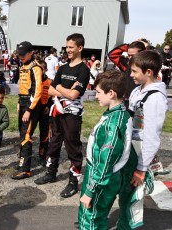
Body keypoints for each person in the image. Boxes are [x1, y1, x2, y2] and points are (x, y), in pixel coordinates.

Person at [34, 33, 90, 199]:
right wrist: (63, 90)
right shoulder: (63, 67)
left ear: (80, 48)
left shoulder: (84, 70)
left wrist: (59, 89)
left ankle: (73, 182)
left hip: (72, 115)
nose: (68, 50)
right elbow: (50, 90)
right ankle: (51, 173)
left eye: (71, 47)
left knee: (73, 146)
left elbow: (74, 95)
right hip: (57, 111)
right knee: (54, 143)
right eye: (67, 47)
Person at [117, 51, 168, 229]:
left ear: (148, 72)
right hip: (129, 147)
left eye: (134, 72)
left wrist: (141, 168)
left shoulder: (155, 99)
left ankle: (129, 226)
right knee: (123, 192)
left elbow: (152, 137)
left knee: (132, 197)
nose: (130, 75)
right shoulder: (138, 91)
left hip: (139, 151)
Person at [78, 70, 132, 229]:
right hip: (106, 175)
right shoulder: (119, 113)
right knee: (98, 215)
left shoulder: (113, 124)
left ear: (111, 93)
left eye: (98, 92)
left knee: (91, 217)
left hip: (101, 177)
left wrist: (90, 190)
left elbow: (106, 160)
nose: (96, 96)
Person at [11, 41, 43, 180]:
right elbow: (22, 86)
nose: (21, 57)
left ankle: (26, 170)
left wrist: (29, 109)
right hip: (23, 102)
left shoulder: (36, 68)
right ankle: (22, 162)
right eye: (19, 55)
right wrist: (19, 102)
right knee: (22, 133)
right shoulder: (22, 65)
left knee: (27, 135)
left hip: (32, 106)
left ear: (31, 53)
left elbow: (37, 91)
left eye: (23, 55)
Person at [108, 40, 146, 108]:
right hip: (127, 101)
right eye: (129, 55)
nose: (130, 58)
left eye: (133, 55)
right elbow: (112, 55)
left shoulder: (148, 67)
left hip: (142, 102)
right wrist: (127, 46)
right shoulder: (126, 64)